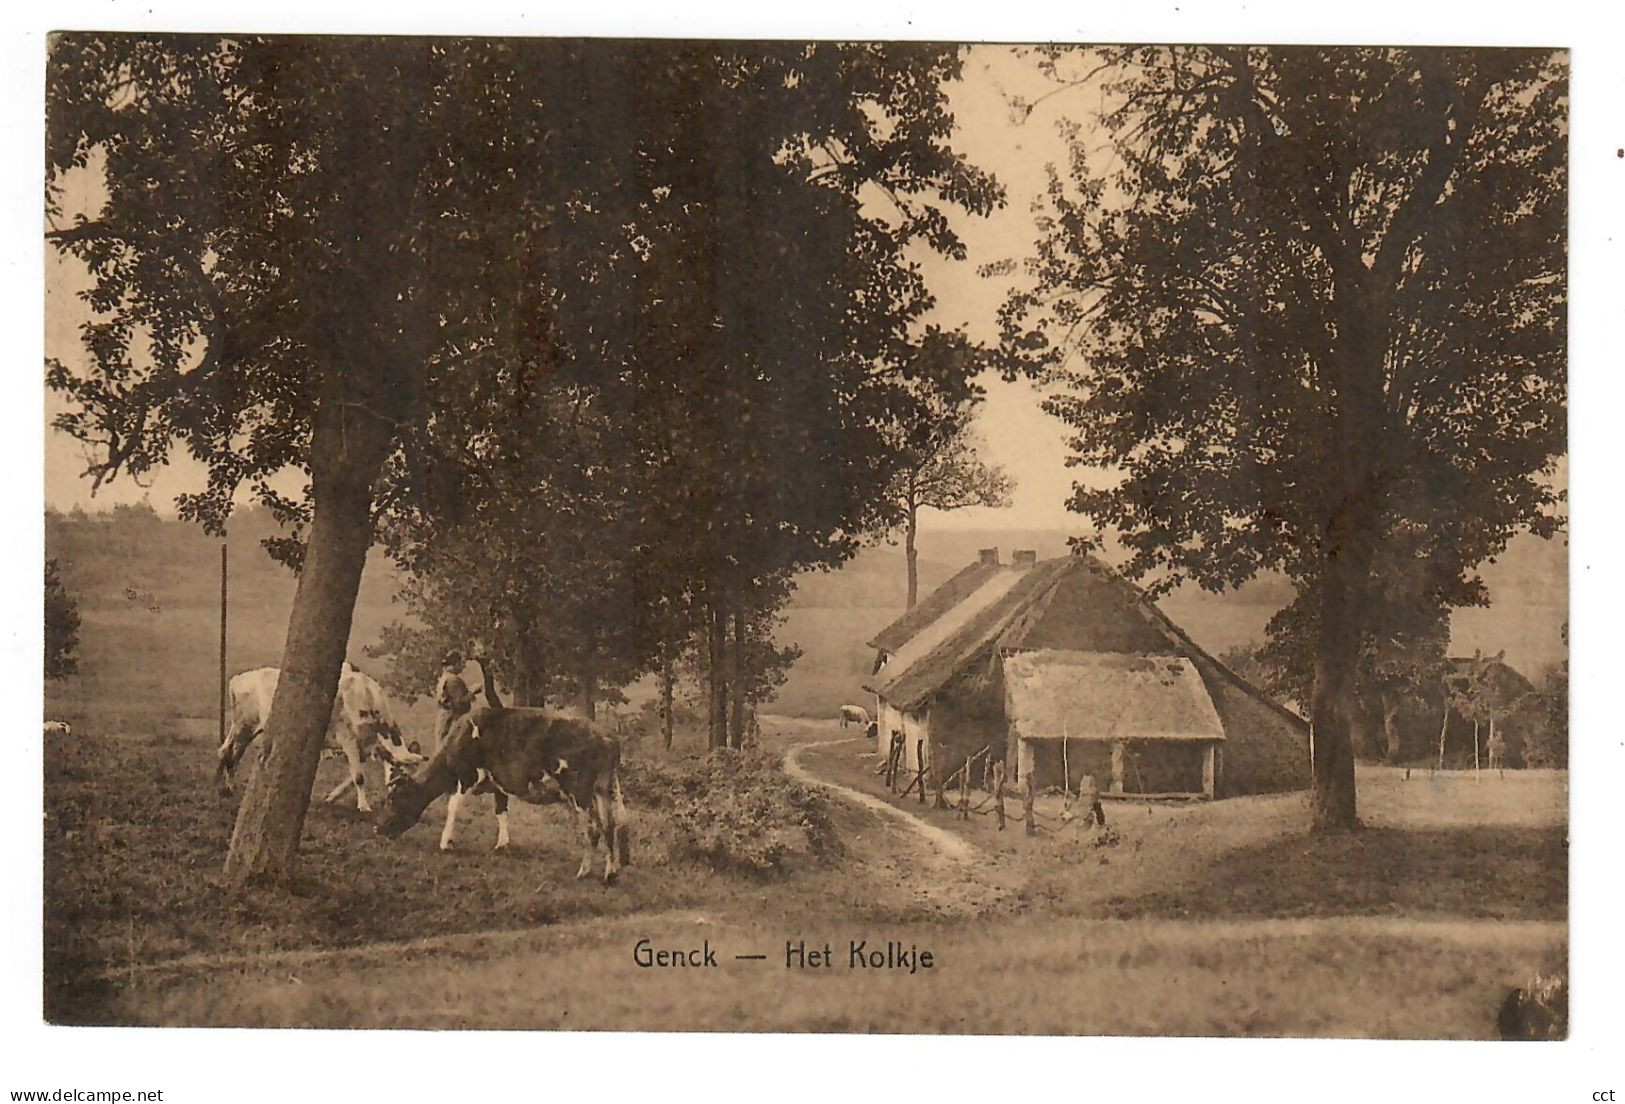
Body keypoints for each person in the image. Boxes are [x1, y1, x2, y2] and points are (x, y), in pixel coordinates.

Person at [433, 650, 475, 753]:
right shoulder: (452, 680)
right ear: (454, 664)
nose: (462, 667)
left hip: (445, 718)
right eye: (460, 664)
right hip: (452, 720)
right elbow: (460, 700)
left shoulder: (443, 678)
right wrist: (473, 691)